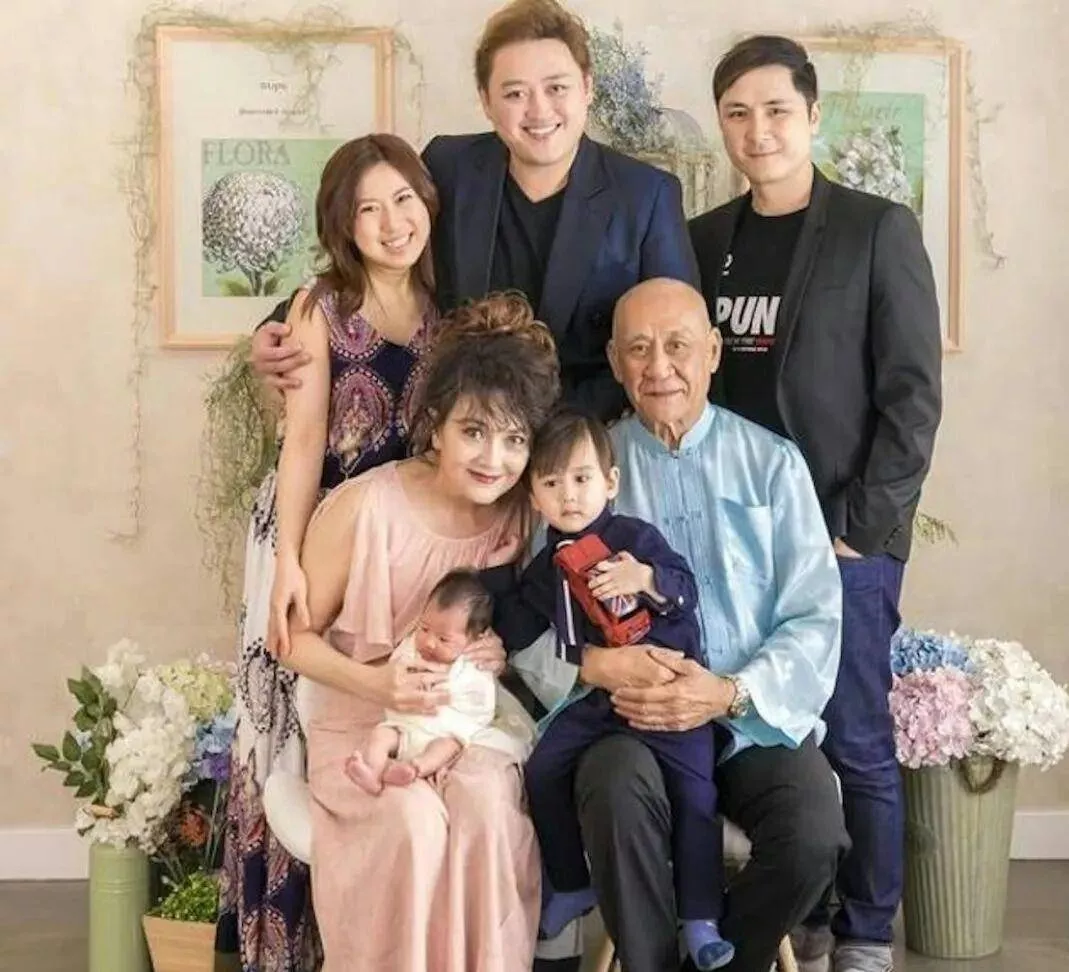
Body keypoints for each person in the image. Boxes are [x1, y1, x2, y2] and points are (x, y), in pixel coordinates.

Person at [688, 36, 943, 972]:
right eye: (737, 114)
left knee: (858, 739)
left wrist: (858, 532)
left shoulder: (876, 230)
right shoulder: (703, 240)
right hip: (735, 541)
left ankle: (865, 933)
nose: (757, 131)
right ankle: (802, 907)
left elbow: (911, 398)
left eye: (776, 111)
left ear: (812, 117)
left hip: (839, 539)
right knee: (765, 728)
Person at [510, 277, 849, 972]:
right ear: (614, 362)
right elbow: (534, 618)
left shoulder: (772, 464)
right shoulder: (583, 473)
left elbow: (815, 616)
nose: (658, 366)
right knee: (612, 791)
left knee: (813, 835)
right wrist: (593, 666)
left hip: (748, 718)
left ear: (714, 352)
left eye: (677, 346)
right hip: (626, 718)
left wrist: (727, 692)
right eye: (638, 349)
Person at [277, 293, 560, 972]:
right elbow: (291, 641)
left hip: (466, 728)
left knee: (489, 806)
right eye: (474, 432)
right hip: (364, 724)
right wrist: (378, 683)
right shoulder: (364, 508)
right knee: (413, 822)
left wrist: (497, 652)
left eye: (514, 440)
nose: (494, 458)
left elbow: (526, 633)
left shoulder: (520, 518)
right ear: (435, 426)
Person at [216, 133, 446, 972]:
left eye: (404, 200)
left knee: (369, 736)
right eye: (367, 209)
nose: (391, 223)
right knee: (285, 741)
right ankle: (281, 948)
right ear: (342, 226)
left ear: (428, 203)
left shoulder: (447, 312)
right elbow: (305, 440)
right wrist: (288, 562)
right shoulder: (322, 307)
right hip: (309, 542)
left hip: (396, 558)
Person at [249, 0, 699, 423]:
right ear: (486, 101)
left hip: (585, 442)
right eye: (515, 93)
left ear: (587, 88)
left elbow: (683, 337)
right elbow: (378, 250)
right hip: (460, 436)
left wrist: (554, 432)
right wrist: (280, 323)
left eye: (556, 88)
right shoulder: (450, 166)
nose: (539, 110)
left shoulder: (646, 195)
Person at [485, 408, 733, 970]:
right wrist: (496, 577)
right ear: (534, 497)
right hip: (598, 704)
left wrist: (643, 578)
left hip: (670, 693)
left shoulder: (635, 540)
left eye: (581, 478)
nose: (569, 495)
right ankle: (572, 883)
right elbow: (520, 622)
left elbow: (686, 590)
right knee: (542, 770)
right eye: (552, 483)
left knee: (696, 795)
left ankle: (700, 918)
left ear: (611, 482)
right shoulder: (545, 566)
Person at [345, 570, 498, 794]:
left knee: (447, 747)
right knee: (381, 736)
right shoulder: (411, 648)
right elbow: (394, 670)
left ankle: (414, 768)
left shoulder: (473, 667)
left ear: (475, 639)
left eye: (444, 639)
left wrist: (449, 693)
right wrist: (410, 674)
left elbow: (482, 707)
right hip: (404, 726)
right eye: (424, 628)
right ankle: (371, 772)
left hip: (443, 732)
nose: (429, 642)